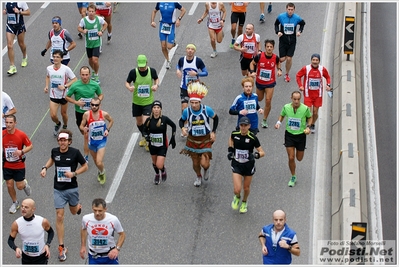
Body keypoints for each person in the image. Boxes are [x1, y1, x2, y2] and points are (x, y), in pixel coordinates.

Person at [40, 129, 88, 262]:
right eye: (60, 140)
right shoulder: (55, 151)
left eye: (64, 140)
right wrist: (45, 168)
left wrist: (74, 174)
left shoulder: (75, 153)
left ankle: (77, 207)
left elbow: (85, 166)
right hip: (58, 189)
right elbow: (52, 160)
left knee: (73, 212)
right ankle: (61, 247)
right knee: (60, 216)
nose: (62, 142)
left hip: (72, 189)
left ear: (69, 141)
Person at [179, 81, 218, 187]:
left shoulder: (206, 110)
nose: (194, 105)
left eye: (196, 103)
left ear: (200, 102)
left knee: (204, 163)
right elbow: (181, 121)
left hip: (205, 139)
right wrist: (183, 128)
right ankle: (198, 176)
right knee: (195, 163)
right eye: (192, 103)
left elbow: (216, 118)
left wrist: (213, 132)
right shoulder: (187, 111)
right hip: (192, 139)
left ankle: (206, 169)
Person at [65, 65, 104, 163]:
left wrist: (96, 101)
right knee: (83, 132)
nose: (85, 77)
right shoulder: (75, 85)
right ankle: (92, 141)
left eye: (86, 75)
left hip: (91, 114)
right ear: (80, 74)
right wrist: (76, 102)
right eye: (83, 75)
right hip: (79, 112)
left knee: (86, 135)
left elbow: (101, 94)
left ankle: (86, 156)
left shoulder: (94, 84)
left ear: (90, 75)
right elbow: (67, 97)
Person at [228, 116, 265, 214]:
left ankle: (244, 201)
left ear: (249, 126)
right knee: (237, 189)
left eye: (245, 125)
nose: (243, 127)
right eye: (241, 125)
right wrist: (230, 150)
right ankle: (237, 197)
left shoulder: (253, 138)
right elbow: (231, 139)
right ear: (239, 125)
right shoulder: (235, 134)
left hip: (248, 165)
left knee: (246, 188)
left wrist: (255, 155)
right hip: (237, 164)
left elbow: (262, 152)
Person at [274, 91, 312, 187]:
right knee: (291, 157)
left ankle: (295, 169)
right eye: (294, 99)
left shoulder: (305, 108)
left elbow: (310, 117)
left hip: (300, 136)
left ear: (300, 99)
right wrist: (279, 122)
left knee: (299, 158)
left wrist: (308, 127)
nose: (296, 101)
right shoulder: (286, 107)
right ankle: (293, 176)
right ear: (291, 98)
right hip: (289, 135)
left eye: (298, 99)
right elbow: (282, 115)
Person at [125, 54, 160, 151]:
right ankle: (144, 136)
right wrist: (129, 87)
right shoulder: (133, 72)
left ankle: (149, 141)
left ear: (147, 63)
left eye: (143, 66)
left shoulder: (151, 71)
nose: (142, 68)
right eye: (140, 66)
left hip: (148, 101)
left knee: (146, 121)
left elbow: (156, 79)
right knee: (139, 122)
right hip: (137, 102)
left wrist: (156, 85)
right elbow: (127, 82)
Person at [8, 198, 54, 265]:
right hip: (26, 257)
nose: (23, 209)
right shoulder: (17, 223)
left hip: (40, 257)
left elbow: (51, 232)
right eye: (22, 206)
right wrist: (16, 248)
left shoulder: (42, 221)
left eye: (26, 207)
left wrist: (47, 245)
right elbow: (10, 240)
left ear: (33, 209)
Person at [79, 97, 114, 184]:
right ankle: (100, 170)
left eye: (96, 105)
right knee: (95, 160)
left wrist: (107, 130)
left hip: (101, 141)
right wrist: (84, 128)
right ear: (90, 105)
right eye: (92, 105)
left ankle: (102, 172)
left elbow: (111, 121)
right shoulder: (86, 114)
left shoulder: (104, 114)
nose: (94, 106)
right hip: (91, 142)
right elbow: (81, 125)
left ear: (100, 105)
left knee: (99, 161)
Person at [80, 198, 125, 265]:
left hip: (110, 256)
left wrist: (117, 249)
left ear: (105, 209)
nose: (97, 213)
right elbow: (83, 229)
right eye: (95, 210)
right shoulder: (86, 219)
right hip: (94, 257)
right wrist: (83, 246)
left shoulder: (113, 220)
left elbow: (122, 234)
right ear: (92, 208)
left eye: (100, 211)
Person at [2, 114, 32, 214]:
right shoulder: (2, 134)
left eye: (11, 122)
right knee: (9, 185)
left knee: (19, 186)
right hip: (7, 164)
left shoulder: (21, 134)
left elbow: (30, 146)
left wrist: (22, 152)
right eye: (6, 122)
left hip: (19, 164)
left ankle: (24, 184)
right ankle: (15, 202)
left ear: (15, 123)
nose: (8, 125)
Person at [249, 39, 282, 128]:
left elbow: (278, 63)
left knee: (268, 100)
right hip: (260, 82)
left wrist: (279, 70)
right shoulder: (259, 56)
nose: (269, 48)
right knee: (259, 99)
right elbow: (252, 63)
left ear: (273, 48)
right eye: (267, 47)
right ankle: (259, 109)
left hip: (270, 82)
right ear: (265, 48)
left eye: (271, 47)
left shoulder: (275, 57)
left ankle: (264, 119)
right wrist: (252, 71)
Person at [296, 53, 332, 133]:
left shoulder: (322, 69)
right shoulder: (306, 68)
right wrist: (300, 85)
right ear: (311, 60)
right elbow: (298, 75)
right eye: (313, 60)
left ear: (319, 61)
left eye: (316, 60)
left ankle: (312, 124)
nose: (315, 62)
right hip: (308, 94)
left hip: (318, 95)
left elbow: (328, 77)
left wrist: (328, 85)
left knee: (315, 112)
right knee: (308, 111)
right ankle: (308, 124)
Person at [44, 49, 77, 136]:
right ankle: (58, 124)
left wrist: (65, 86)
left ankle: (65, 126)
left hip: (64, 95)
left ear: (61, 59)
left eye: (57, 57)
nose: (55, 58)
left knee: (63, 113)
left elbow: (74, 79)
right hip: (53, 95)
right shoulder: (49, 68)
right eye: (54, 57)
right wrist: (46, 86)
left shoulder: (66, 69)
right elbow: (47, 77)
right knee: (53, 115)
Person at [142, 100, 177, 185]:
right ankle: (157, 174)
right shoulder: (149, 120)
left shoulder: (164, 119)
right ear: (152, 109)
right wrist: (146, 136)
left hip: (162, 146)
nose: (156, 109)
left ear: (161, 109)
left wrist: (173, 137)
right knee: (154, 163)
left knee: (159, 164)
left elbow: (173, 125)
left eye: (158, 108)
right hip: (152, 145)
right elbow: (144, 130)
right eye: (154, 108)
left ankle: (163, 170)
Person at [274, 3, 305, 82]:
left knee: (289, 58)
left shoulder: (297, 18)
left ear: (294, 10)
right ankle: (276, 64)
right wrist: (278, 32)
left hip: (292, 41)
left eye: (292, 10)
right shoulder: (281, 16)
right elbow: (276, 24)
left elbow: (302, 23)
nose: (290, 11)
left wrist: (299, 31)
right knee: (282, 59)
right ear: (286, 9)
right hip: (283, 40)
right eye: (289, 9)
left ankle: (287, 74)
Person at [77, 3, 108, 84]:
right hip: (88, 43)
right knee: (90, 60)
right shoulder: (84, 20)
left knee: (95, 60)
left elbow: (105, 24)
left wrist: (101, 31)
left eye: (92, 11)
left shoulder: (99, 19)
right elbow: (78, 28)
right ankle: (94, 71)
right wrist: (83, 31)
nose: (91, 13)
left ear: (95, 12)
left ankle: (96, 74)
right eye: (89, 11)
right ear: (87, 12)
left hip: (97, 43)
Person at [151, 2, 186, 69]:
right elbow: (154, 11)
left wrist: (179, 19)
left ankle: (174, 43)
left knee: (169, 47)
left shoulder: (175, 3)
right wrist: (152, 21)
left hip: (171, 26)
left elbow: (183, 10)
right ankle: (168, 60)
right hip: (162, 25)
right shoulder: (160, 3)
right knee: (163, 46)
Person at [176, 44, 208, 118]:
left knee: (195, 107)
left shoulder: (198, 61)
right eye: (188, 49)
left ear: (194, 51)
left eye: (192, 49)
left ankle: (194, 120)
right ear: (186, 50)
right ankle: (185, 124)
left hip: (195, 88)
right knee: (184, 107)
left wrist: (196, 73)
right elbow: (178, 65)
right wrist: (178, 70)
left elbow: (206, 73)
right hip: (184, 87)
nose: (190, 51)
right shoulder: (182, 60)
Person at [3, 2, 30, 75]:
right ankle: (12, 66)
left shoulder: (21, 2)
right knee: (9, 45)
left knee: (21, 44)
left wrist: (19, 12)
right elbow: (6, 9)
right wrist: (5, 11)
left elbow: (28, 12)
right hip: (10, 26)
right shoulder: (6, 2)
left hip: (20, 26)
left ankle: (24, 56)